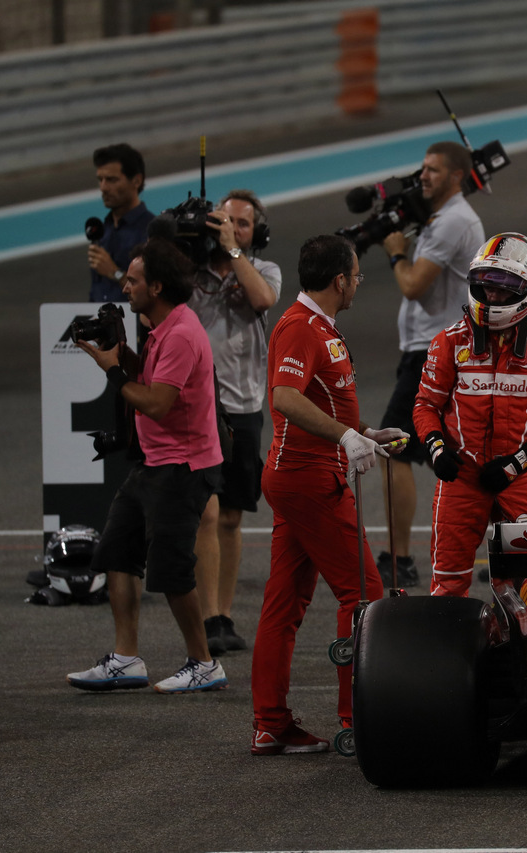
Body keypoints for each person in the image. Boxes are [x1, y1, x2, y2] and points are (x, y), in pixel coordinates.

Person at [252, 234, 406, 754]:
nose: (359, 283)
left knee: (284, 603)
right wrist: (344, 438)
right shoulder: (299, 327)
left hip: (304, 476)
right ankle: (357, 718)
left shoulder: (319, 328)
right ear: (340, 279)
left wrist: (362, 430)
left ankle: (271, 722)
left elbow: (324, 402)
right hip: (310, 479)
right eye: (357, 275)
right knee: (363, 594)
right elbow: (286, 398)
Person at [67, 238, 227, 693]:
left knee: (172, 572)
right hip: (153, 463)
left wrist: (111, 370)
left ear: (156, 286)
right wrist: (121, 353)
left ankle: (203, 662)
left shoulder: (180, 333)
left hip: (183, 468)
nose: (125, 285)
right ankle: (126, 658)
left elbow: (156, 403)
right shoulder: (160, 327)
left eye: (133, 280)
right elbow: (151, 380)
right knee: (117, 552)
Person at [414, 233, 527, 597]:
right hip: (460, 479)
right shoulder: (449, 342)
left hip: (516, 477)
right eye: (486, 285)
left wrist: (517, 463)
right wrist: (437, 448)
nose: (494, 296)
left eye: (506, 288)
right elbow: (426, 405)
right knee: (448, 583)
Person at [374, 141, 485, 588]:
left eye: (433, 170)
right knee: (456, 452)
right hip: (440, 347)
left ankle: (400, 557)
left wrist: (397, 251)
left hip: (432, 351)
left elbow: (414, 285)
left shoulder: (454, 219)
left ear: (458, 176)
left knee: (393, 447)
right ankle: (476, 549)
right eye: (422, 168)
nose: (423, 176)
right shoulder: (447, 219)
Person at [187, 189, 282, 655]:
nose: (232, 227)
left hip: (242, 406)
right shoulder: (190, 271)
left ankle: (224, 614)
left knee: (228, 517)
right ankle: (207, 618)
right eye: (225, 221)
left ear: (255, 232)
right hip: (195, 406)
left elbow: (262, 299)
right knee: (205, 514)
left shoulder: (262, 270)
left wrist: (233, 249)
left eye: (242, 223)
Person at [88, 143, 155, 303]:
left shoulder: (151, 232)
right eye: (100, 180)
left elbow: (154, 295)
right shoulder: (103, 231)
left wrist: (115, 273)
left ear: (136, 181)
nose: (103, 187)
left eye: (111, 180)